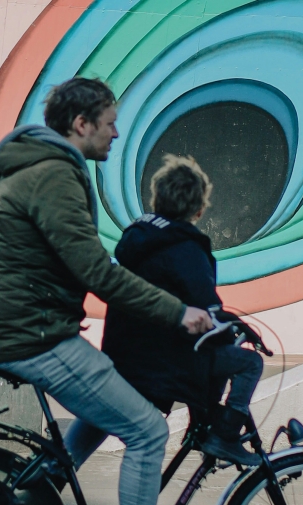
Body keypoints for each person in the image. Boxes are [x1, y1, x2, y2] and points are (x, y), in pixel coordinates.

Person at [0, 78, 212, 505]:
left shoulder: (39, 165)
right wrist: (179, 312)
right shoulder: (54, 174)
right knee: (147, 430)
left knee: (108, 406)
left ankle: (36, 494)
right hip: (28, 335)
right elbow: (96, 270)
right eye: (109, 123)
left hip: (27, 326)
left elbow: (57, 261)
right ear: (81, 125)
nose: (116, 132)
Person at [69, 155, 264, 465]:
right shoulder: (187, 248)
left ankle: (52, 473)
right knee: (248, 363)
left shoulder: (136, 240)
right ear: (199, 210)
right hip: (165, 361)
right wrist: (227, 333)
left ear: (155, 199)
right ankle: (221, 435)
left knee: (101, 416)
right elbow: (205, 311)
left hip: (126, 355)